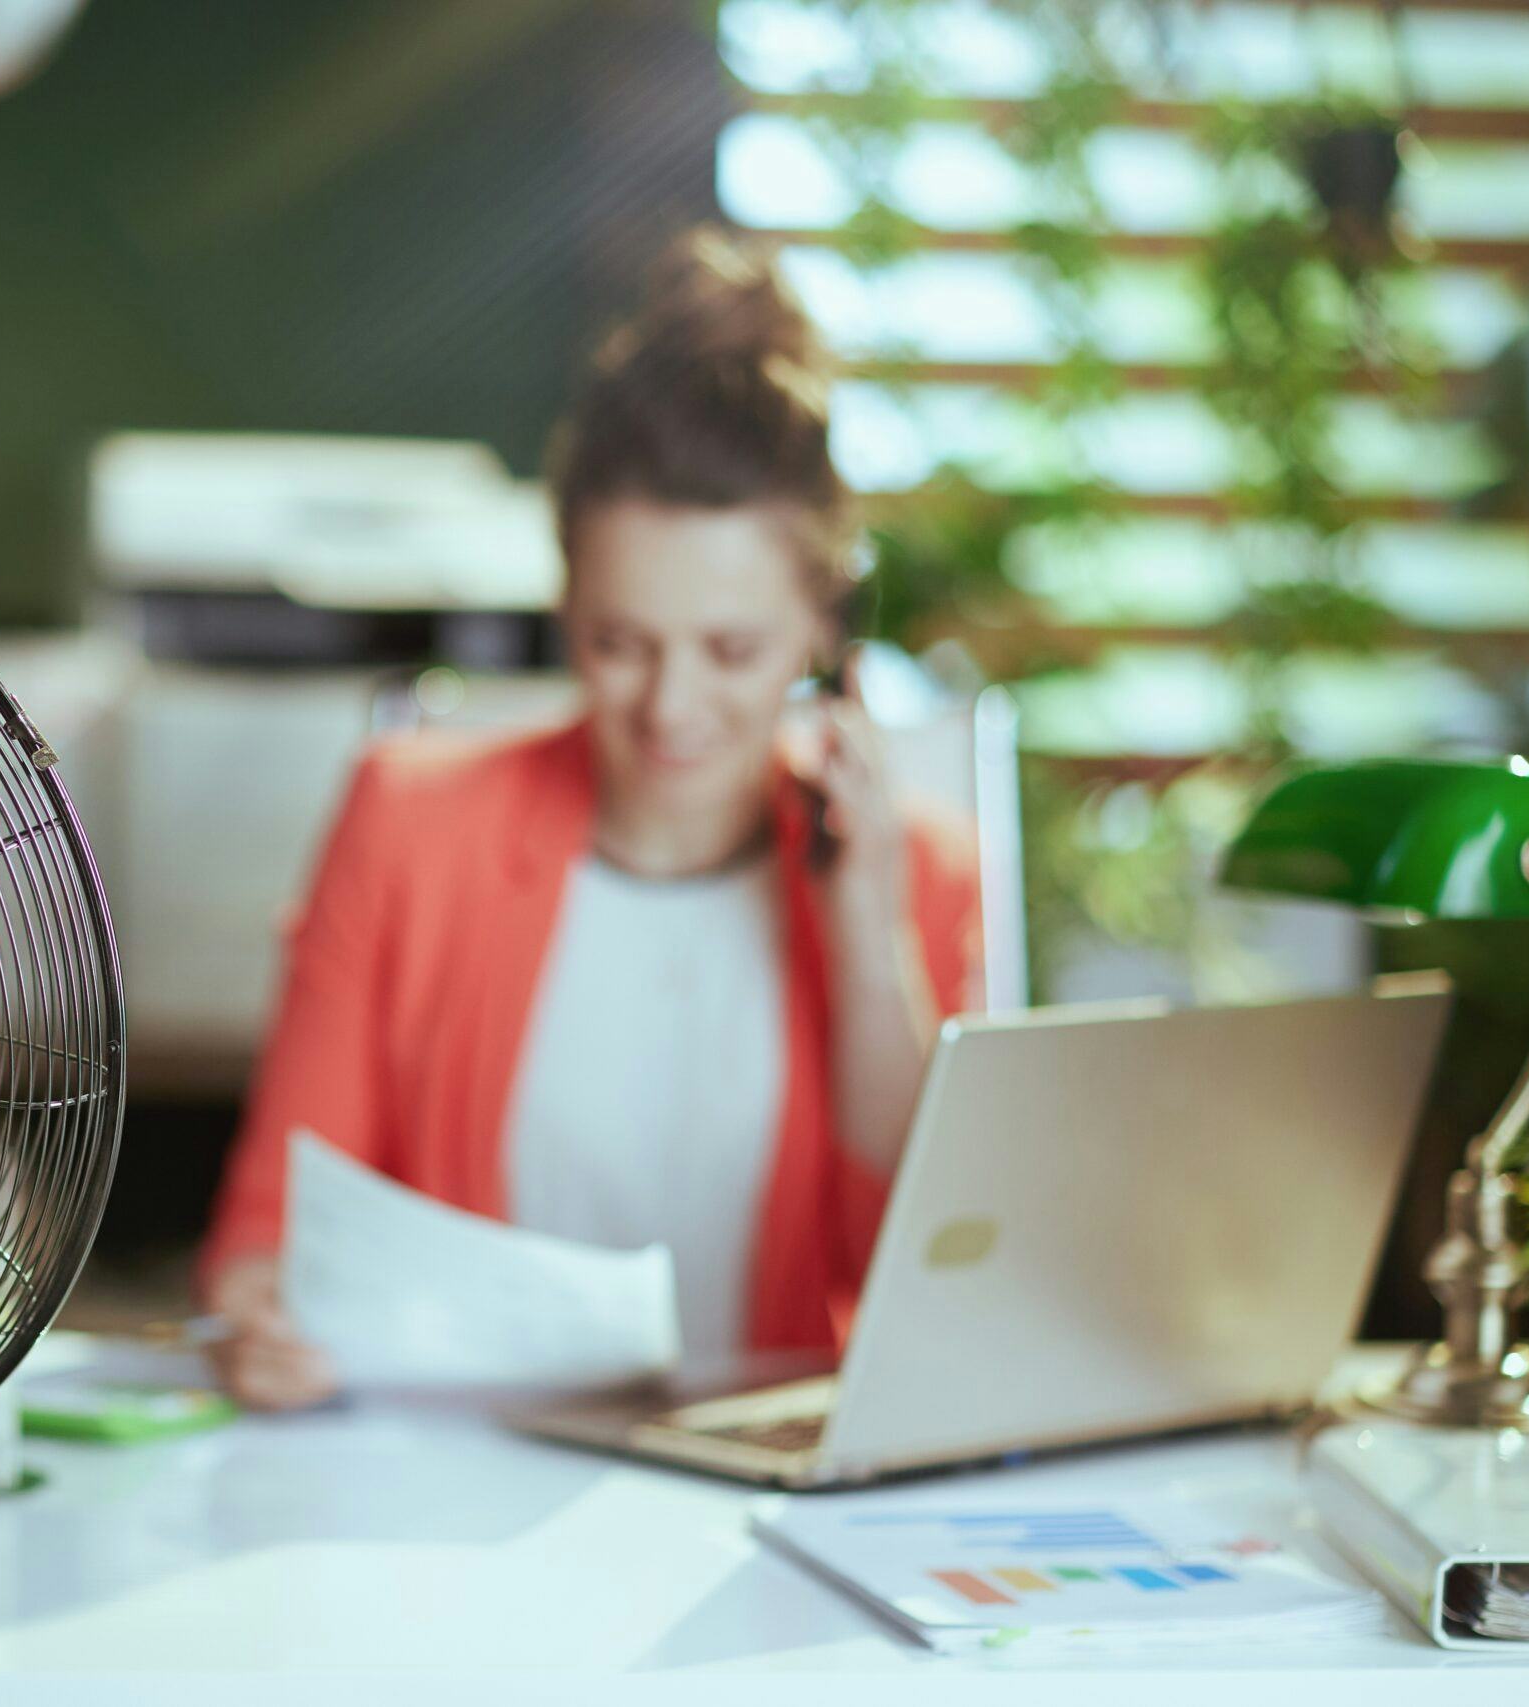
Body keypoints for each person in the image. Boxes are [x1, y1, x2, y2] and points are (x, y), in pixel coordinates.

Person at [198, 226, 980, 1411]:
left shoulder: (916, 872)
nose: (671, 706)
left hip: (753, 1507)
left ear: (821, 626)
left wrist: (866, 941)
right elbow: (268, 1235)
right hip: (461, 1482)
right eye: (619, 644)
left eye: (731, 650)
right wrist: (261, 1318)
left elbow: (938, 1284)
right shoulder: (408, 824)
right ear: (567, 601)